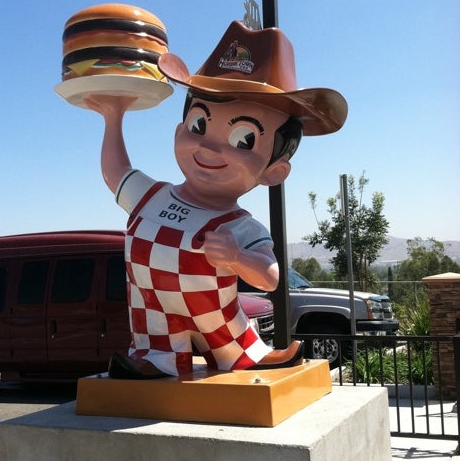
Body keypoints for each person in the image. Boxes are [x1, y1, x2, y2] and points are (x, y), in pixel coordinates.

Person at [85, 20, 348, 379]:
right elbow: (117, 172)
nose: (209, 146)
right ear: (179, 131)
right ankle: (156, 359)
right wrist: (112, 117)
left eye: (243, 140)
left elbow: (270, 277)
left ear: (274, 171)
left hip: (218, 316)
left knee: (229, 340)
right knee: (155, 333)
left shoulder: (239, 225)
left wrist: (238, 257)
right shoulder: (151, 196)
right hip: (153, 313)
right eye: (198, 125)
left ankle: (246, 354)